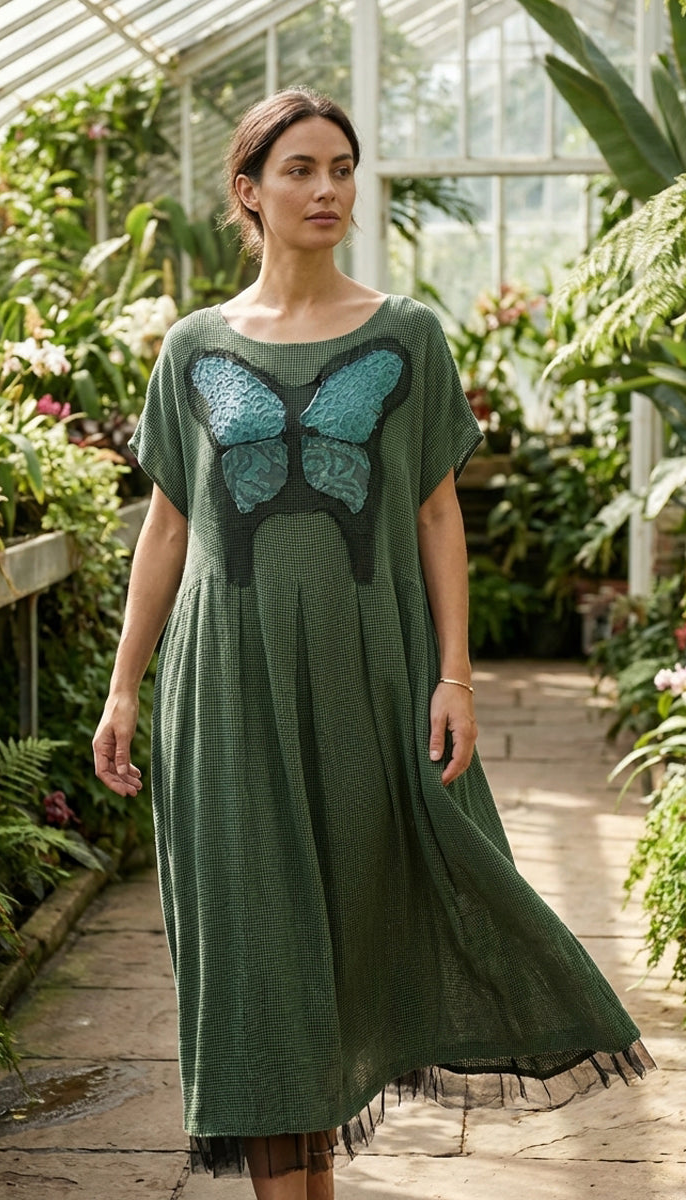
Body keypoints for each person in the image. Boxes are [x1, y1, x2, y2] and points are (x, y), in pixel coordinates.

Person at [93, 88, 653, 1200]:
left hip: (373, 673)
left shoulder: (406, 336)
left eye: (341, 168)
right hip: (228, 683)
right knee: (257, 952)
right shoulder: (193, 347)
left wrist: (455, 677)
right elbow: (167, 526)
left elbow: (438, 514)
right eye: (299, 170)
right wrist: (122, 690)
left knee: (362, 927)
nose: (327, 190)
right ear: (248, 193)